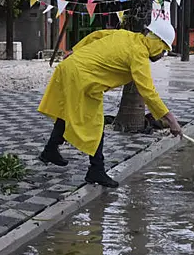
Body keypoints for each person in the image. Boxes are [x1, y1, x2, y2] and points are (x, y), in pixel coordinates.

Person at [37, 19, 181, 188]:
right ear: (157, 42)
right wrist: (170, 120)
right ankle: (96, 170)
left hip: (71, 67)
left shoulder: (126, 35)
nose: (161, 55)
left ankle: (50, 150)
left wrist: (75, 52)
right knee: (96, 124)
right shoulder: (139, 55)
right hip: (83, 78)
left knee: (69, 111)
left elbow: (95, 36)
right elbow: (148, 92)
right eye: (163, 50)